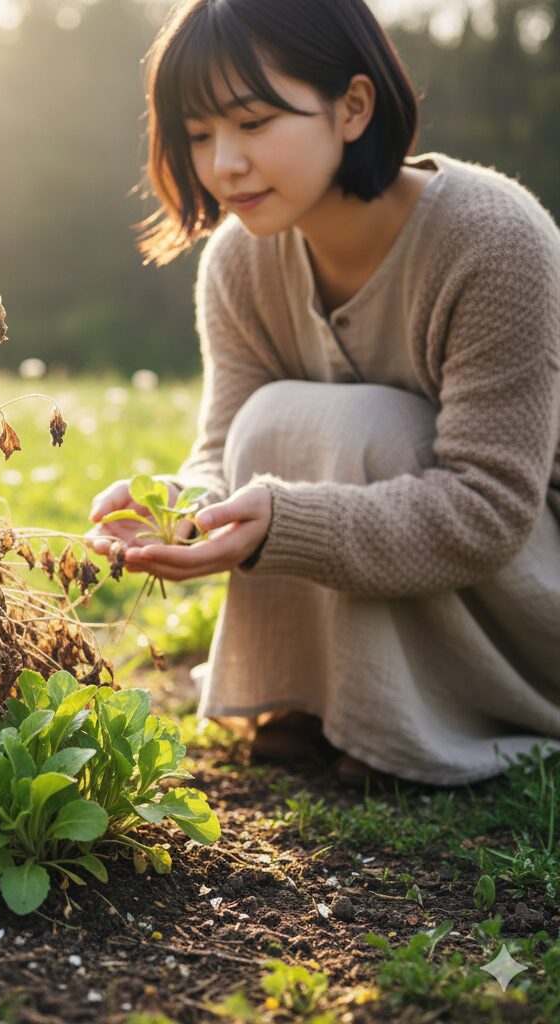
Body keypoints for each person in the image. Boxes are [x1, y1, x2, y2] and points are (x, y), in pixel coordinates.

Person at [86, 0, 560, 788]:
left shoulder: (493, 240)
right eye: (198, 134)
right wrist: (179, 508)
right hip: (458, 574)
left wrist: (285, 523)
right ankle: (310, 700)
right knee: (275, 420)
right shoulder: (239, 262)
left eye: (253, 122)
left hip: (530, 605)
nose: (223, 163)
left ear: (353, 107)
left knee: (362, 426)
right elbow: (225, 449)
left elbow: (492, 509)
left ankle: (411, 722)